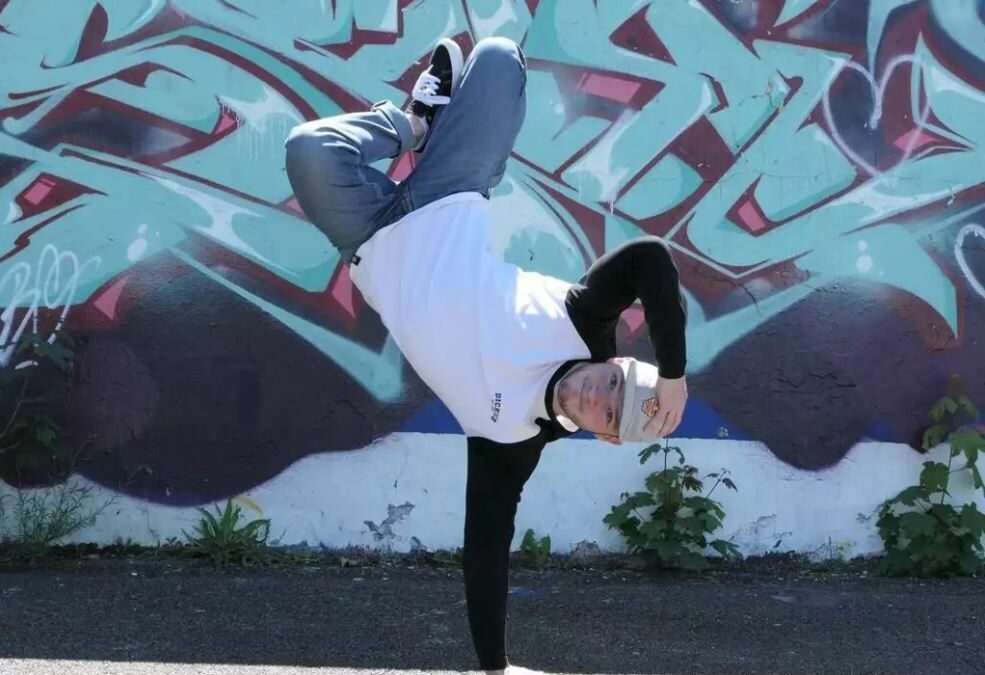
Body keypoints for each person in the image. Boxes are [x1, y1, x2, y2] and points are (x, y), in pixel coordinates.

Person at [284, 36, 689, 675]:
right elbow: (650, 260)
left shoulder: (510, 441)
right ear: (613, 365)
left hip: (368, 241)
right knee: (499, 57)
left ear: (602, 437)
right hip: (448, 194)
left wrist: (494, 669)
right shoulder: (586, 321)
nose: (597, 394)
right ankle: (420, 124)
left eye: (608, 413)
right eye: (614, 384)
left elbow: (486, 551)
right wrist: (671, 376)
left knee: (307, 149)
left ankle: (417, 123)